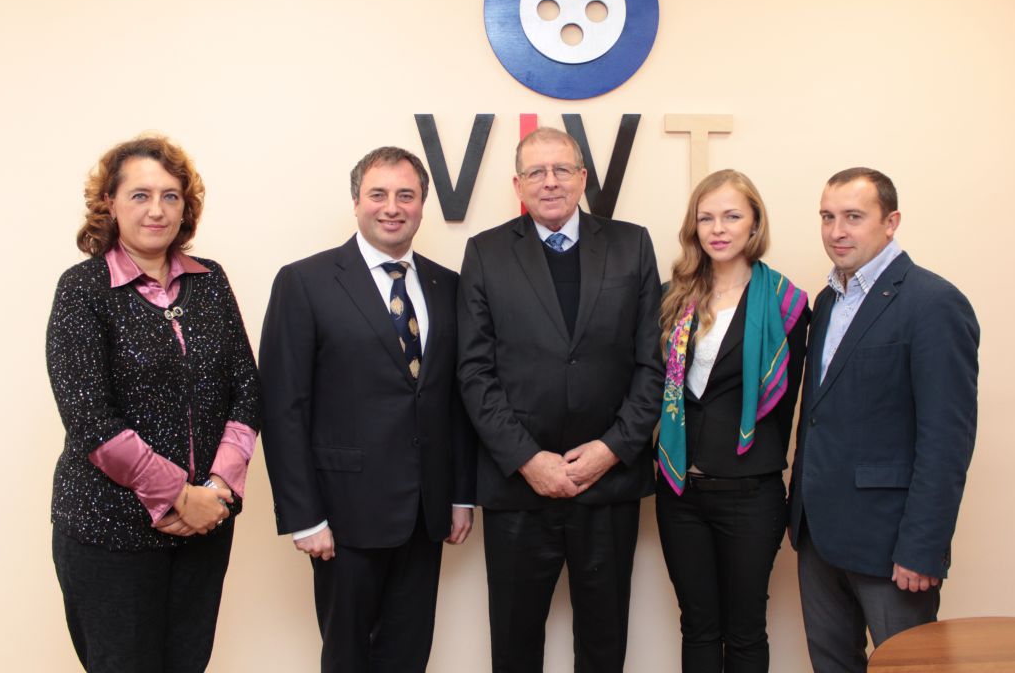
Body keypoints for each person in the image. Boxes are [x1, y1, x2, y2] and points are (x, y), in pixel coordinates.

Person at [47, 132, 261, 673]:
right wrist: (177, 496)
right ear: (109, 203)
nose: (157, 210)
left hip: (205, 527)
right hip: (110, 533)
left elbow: (246, 390)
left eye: (170, 195)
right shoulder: (82, 289)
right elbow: (90, 419)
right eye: (140, 195)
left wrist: (217, 490)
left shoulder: (211, 282)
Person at [259, 146, 476, 673]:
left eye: (406, 195)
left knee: (408, 656)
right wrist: (304, 517)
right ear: (356, 201)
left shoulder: (447, 285)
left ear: (422, 204)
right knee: (348, 657)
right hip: (343, 514)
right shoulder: (305, 281)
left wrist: (460, 495)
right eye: (378, 194)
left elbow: (454, 399)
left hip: (426, 513)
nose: (392, 207)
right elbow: (283, 406)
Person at [457, 126, 664, 673]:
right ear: (518, 185)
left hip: (609, 483)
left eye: (561, 169)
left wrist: (611, 450)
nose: (549, 182)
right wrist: (528, 459)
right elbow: (474, 372)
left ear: (582, 177)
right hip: (519, 488)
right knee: (514, 646)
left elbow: (652, 365)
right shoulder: (485, 252)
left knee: (604, 645)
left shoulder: (631, 244)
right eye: (536, 172)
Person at [788, 167, 980, 673]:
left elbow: (947, 440)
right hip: (819, 536)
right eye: (827, 217)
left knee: (908, 668)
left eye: (853, 217)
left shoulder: (933, 303)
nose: (837, 231)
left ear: (891, 222)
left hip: (892, 545)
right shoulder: (827, 301)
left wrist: (923, 547)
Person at [656, 170, 810, 672]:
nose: (718, 229)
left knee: (744, 631)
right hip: (680, 492)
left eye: (731, 216)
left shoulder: (786, 303)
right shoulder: (673, 297)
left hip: (750, 491)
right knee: (697, 627)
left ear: (754, 223)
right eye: (706, 218)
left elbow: (789, 405)